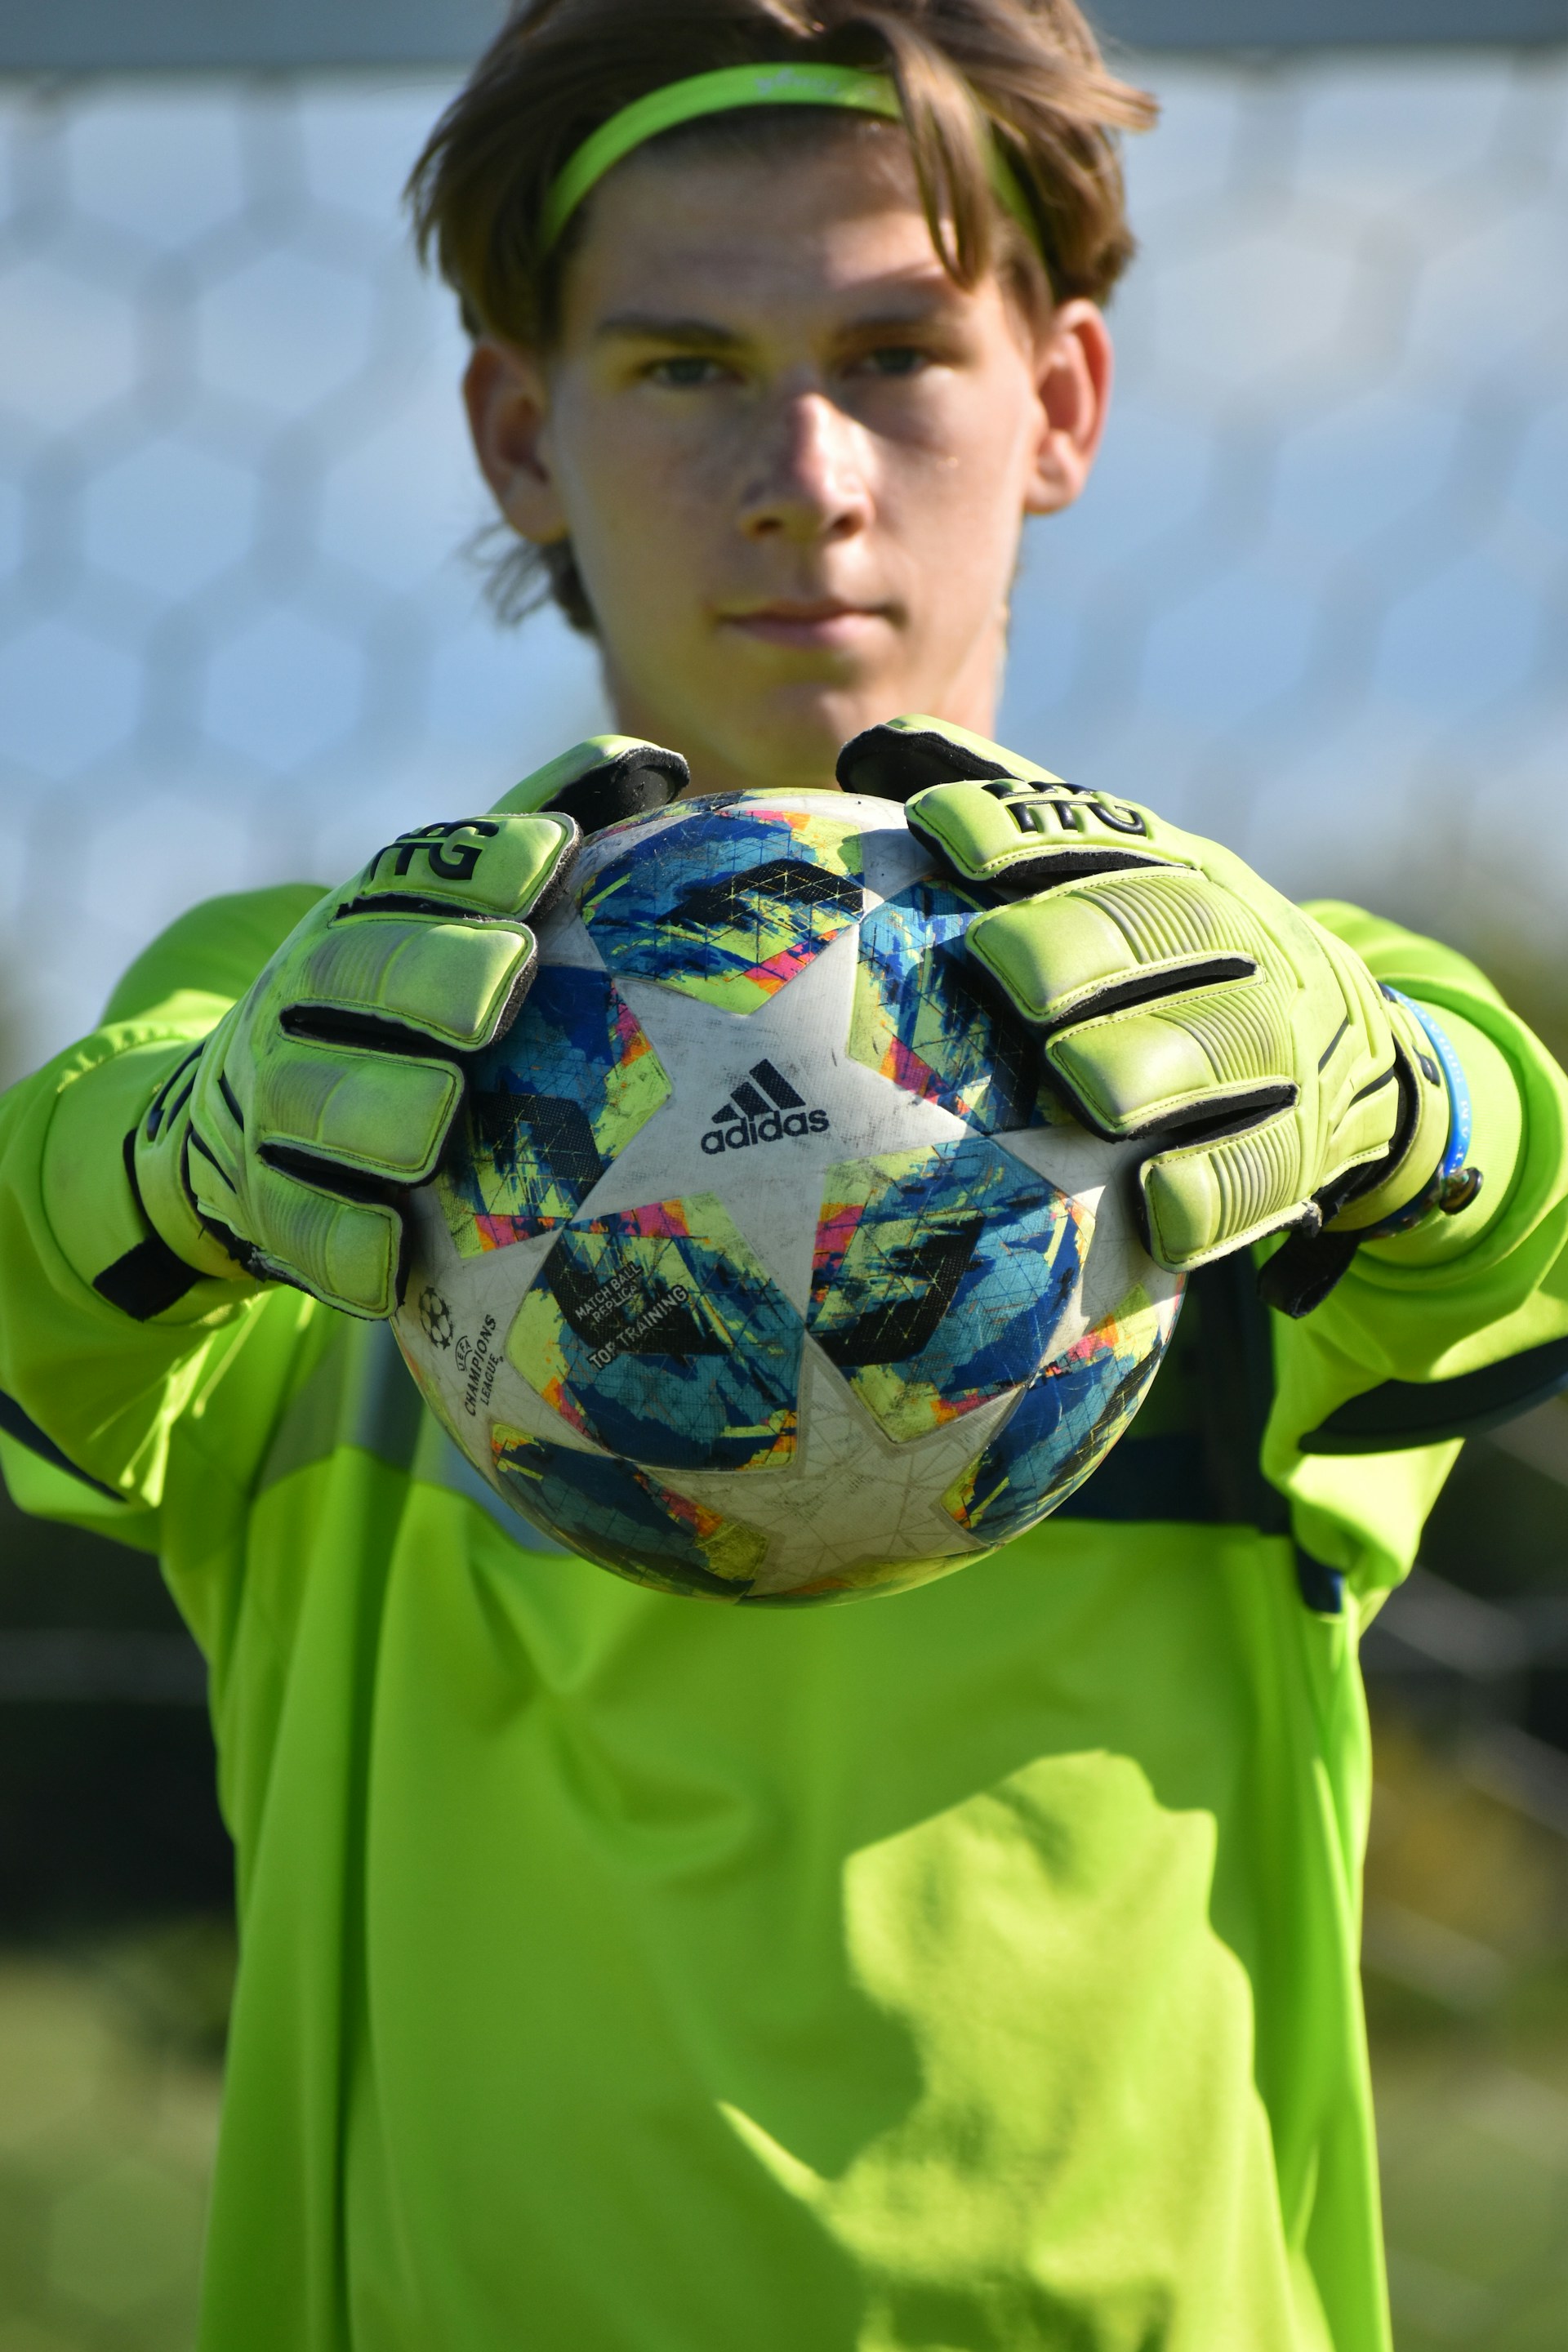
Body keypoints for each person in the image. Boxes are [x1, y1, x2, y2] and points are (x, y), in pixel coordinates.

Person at [2, 2, 1565, 2345]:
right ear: (520, 433)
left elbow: (1521, 1198)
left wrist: (1402, 1095)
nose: (806, 472)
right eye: (685, 366)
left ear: (1062, 404)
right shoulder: (315, 1026)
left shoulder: (1231, 1033)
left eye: (898, 354)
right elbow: (38, 1268)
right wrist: (178, 1162)